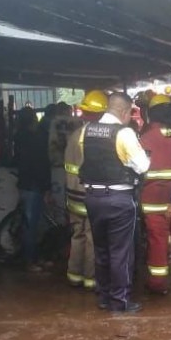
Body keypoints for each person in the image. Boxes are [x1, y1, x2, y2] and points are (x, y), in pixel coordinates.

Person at [79, 92, 150, 312]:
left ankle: (104, 296)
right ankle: (120, 301)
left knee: (101, 250)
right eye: (130, 113)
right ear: (123, 111)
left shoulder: (86, 131)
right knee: (121, 252)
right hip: (118, 199)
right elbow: (142, 166)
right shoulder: (124, 133)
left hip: (92, 198)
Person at [140, 94, 171, 295]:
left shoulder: (145, 138)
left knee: (157, 243)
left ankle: (157, 284)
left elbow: (138, 170)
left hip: (153, 203)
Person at [64, 90, 107, 290]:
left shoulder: (74, 136)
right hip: (89, 195)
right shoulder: (96, 138)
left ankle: (74, 276)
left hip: (73, 196)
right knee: (92, 237)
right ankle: (91, 279)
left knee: (77, 235)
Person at [13, 107, 51, 272]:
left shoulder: (19, 137)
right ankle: (31, 260)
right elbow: (42, 165)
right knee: (33, 225)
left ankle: (33, 258)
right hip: (35, 186)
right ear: (34, 120)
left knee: (31, 224)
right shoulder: (38, 139)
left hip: (24, 184)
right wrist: (47, 188)